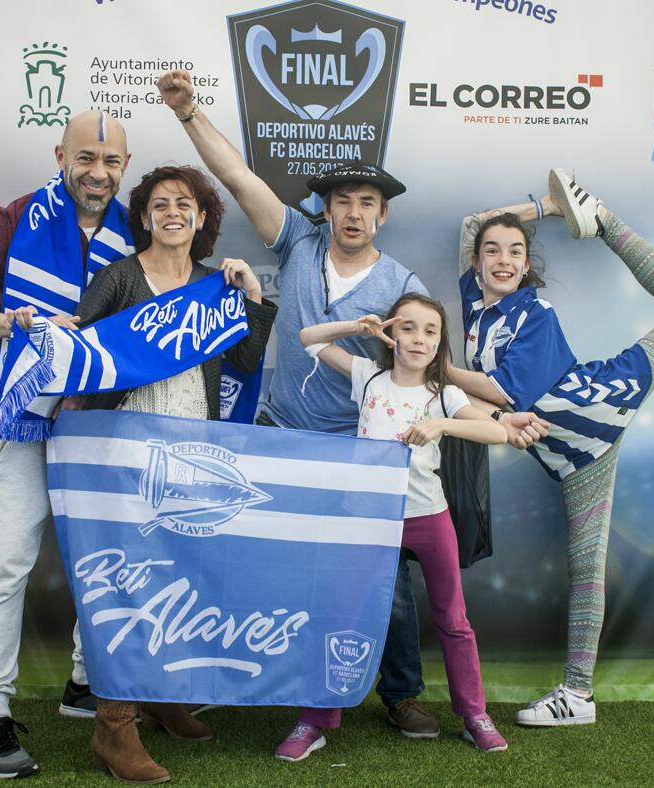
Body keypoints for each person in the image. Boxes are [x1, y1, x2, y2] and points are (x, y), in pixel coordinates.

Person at [155, 69, 439, 739]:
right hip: (279, 435)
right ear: (327, 208)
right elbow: (240, 180)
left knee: (384, 577)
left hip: (361, 453)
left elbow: (427, 368)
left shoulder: (404, 287)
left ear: (383, 214)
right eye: (342, 199)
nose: (353, 212)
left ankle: (400, 693)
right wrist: (190, 112)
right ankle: (232, 680)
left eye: (367, 201)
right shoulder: (298, 242)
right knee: (251, 560)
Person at [450, 169, 654, 726]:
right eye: (492, 252)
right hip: (577, 456)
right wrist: (543, 206)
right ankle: (579, 697)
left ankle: (605, 221)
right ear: (476, 264)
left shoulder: (534, 313)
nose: (502, 259)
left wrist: (436, 370)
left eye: (515, 252)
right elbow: (473, 224)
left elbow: (501, 391)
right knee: (587, 565)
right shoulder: (473, 303)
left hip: (606, 400)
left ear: (527, 266)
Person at [0, 110, 134, 778]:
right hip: (19, 421)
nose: (98, 173)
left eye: (111, 162)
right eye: (86, 158)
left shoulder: (139, 227)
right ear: (60, 154)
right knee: (9, 566)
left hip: (98, 424)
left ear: (125, 167)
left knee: (103, 563)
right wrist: (10, 324)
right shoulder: (15, 217)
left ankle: (81, 682)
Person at [68, 164, 277, 783]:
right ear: (144, 216)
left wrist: (252, 299)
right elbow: (82, 362)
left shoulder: (214, 286)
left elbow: (242, 357)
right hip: (125, 445)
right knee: (127, 580)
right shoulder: (117, 278)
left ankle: (162, 697)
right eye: (159, 203)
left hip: (193, 445)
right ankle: (114, 726)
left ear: (203, 216)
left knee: (180, 574)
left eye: (184, 202)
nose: (172, 212)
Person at [282, 292, 527, 760]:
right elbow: (308, 339)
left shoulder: (445, 395)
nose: (418, 338)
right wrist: (359, 328)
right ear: (393, 333)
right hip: (368, 520)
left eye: (430, 331)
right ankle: (314, 720)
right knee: (343, 616)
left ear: (440, 345)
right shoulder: (368, 377)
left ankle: (474, 715)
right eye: (408, 327)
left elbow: (499, 432)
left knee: (454, 620)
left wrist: (443, 426)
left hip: (427, 516)